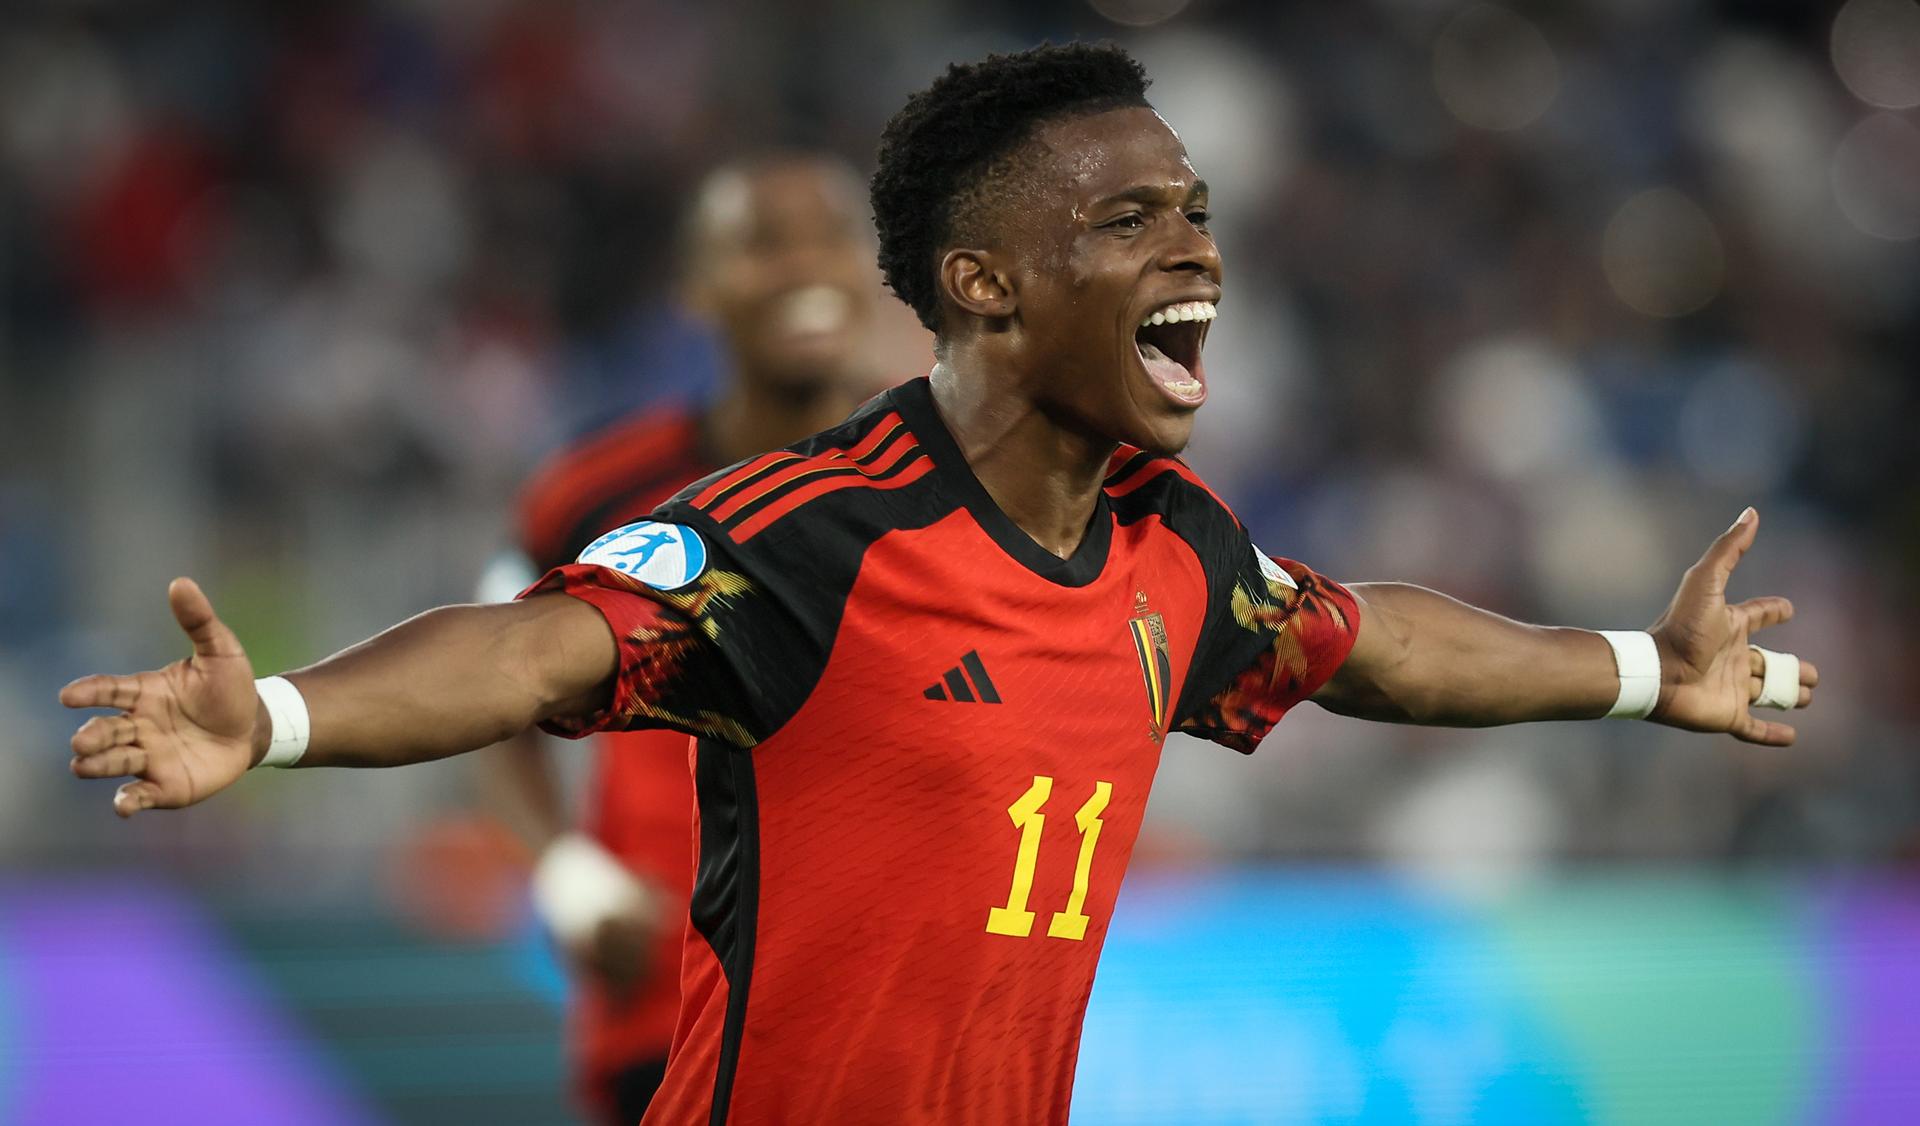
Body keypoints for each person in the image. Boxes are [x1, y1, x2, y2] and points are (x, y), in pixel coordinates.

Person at [63, 44, 1818, 1125]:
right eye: (1127, 218)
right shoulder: (809, 531)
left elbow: (1366, 646)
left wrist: (1646, 671)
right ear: (981, 285)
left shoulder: (1174, 541)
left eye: (1193, 207)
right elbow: (534, 655)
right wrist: (282, 714)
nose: (1194, 243)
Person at [471, 153, 879, 1125]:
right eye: (763, 243)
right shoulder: (591, 493)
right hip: (671, 1005)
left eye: (830, 237)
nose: (804, 266)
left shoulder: (954, 478)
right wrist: (567, 874)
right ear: (696, 288)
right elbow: (489, 698)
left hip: (885, 1004)